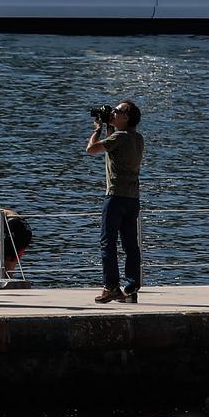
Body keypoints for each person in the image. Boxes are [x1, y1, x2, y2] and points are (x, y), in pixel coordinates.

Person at [85, 101, 145, 303]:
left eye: (117, 112)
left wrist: (98, 128)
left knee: (107, 242)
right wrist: (111, 124)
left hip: (115, 197)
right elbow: (115, 146)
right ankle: (131, 285)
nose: (113, 113)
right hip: (132, 198)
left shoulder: (119, 137)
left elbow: (91, 149)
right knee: (130, 244)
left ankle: (110, 286)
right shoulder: (138, 139)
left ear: (126, 117)